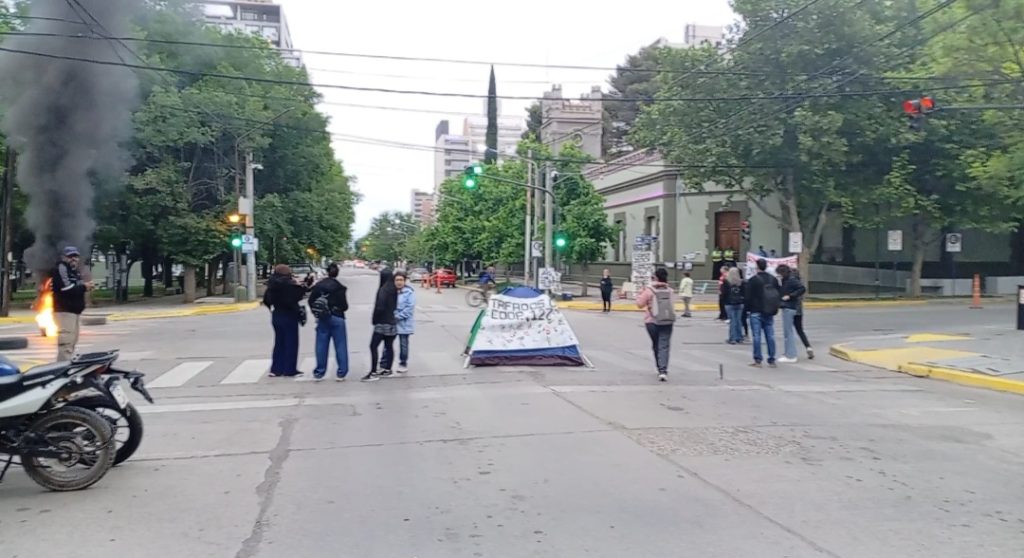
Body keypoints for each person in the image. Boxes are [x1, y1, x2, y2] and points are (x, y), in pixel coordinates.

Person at [262, 264, 307, 377]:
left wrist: (272, 309)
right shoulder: (288, 285)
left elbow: (266, 300)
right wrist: (303, 286)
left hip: (277, 315)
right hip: (289, 316)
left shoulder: (271, 285)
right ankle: (289, 370)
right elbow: (296, 297)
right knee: (291, 343)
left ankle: (276, 369)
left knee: (279, 342)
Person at [308, 263, 349, 381]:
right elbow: (345, 306)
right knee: (340, 345)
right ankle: (341, 373)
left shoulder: (319, 286)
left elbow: (311, 301)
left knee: (321, 345)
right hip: (338, 317)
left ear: (326, 271)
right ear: (337, 273)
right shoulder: (340, 287)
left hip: (322, 318)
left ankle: (319, 372)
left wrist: (317, 313)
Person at [52, 246, 94, 362]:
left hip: (73, 311)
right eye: (70, 256)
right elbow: (66, 288)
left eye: (76, 256)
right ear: (64, 257)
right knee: (66, 343)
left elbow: (76, 286)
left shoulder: (73, 271)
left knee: (72, 342)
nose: (73, 259)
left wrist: (85, 286)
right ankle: (62, 370)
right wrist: (84, 286)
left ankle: (67, 366)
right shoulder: (61, 268)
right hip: (65, 311)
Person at [635, 267, 675, 382]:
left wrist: (640, 293)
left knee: (656, 344)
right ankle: (663, 370)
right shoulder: (670, 290)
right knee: (664, 345)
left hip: (651, 321)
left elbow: (639, 304)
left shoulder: (649, 290)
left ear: (655, 277)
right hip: (667, 320)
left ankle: (659, 367)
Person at [744, 258, 781, 368]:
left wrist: (746, 310)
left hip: (756, 311)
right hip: (769, 311)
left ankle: (758, 359)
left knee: (757, 336)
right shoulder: (773, 280)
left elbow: (748, 297)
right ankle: (772, 359)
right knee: (770, 335)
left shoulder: (753, 280)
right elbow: (777, 294)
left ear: (757, 267)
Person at [363, 268, 398, 382]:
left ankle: (373, 372)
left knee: (373, 346)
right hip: (392, 322)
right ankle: (388, 369)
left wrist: (374, 319)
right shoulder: (393, 289)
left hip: (382, 323)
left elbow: (380, 307)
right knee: (389, 347)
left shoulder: (383, 290)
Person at [777, 264, 808, 363]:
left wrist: (790, 296)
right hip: (787, 306)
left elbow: (802, 288)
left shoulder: (791, 280)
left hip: (790, 306)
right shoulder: (786, 280)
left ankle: (791, 355)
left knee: (788, 332)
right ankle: (788, 352)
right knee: (788, 332)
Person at [394, 271, 416, 373]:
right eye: (397, 280)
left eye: (401, 280)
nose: (399, 282)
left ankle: (403, 363)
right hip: (391, 322)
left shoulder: (409, 292)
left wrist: (398, 316)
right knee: (387, 345)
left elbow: (409, 308)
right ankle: (385, 365)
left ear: (405, 281)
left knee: (403, 344)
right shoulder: (391, 291)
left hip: (404, 323)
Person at [792, 269, 814, 359]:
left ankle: (791, 351)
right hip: (799, 311)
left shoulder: (791, 285)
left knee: (789, 332)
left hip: (791, 310)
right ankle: (808, 347)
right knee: (800, 330)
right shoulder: (799, 285)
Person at [723, 267, 746, 344]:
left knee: (732, 321)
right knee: (738, 321)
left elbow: (724, 293)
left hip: (729, 303)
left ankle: (732, 338)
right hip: (740, 303)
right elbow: (744, 293)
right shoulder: (741, 282)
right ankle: (739, 337)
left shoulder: (726, 282)